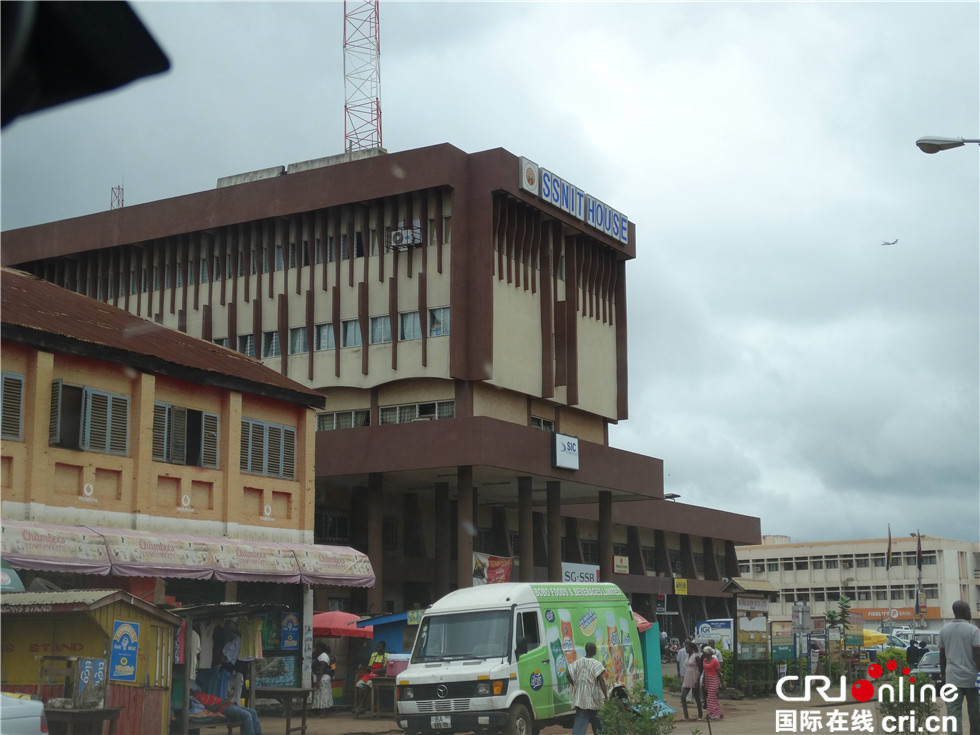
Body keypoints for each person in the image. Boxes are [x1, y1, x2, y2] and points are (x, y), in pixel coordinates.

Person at [939, 601, 980, 735]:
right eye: (968, 609)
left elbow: (942, 655)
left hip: (952, 678)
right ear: (962, 611)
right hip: (972, 679)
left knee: (953, 715)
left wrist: (943, 675)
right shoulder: (973, 630)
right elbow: (977, 654)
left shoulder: (944, 630)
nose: (970, 612)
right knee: (976, 715)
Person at [566, 641, 608, 735]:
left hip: (580, 699)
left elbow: (568, 674)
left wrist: (575, 684)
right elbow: (601, 681)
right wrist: (605, 696)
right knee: (598, 724)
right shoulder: (596, 664)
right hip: (594, 699)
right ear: (594, 651)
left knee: (579, 725)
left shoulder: (578, 662)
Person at [191, 682, 264, 735]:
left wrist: (227, 700)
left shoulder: (202, 694)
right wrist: (224, 701)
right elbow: (212, 709)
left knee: (253, 712)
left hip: (229, 705)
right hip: (224, 708)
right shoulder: (198, 698)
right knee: (247, 715)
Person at [355, 641, 389, 714]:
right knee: (359, 685)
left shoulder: (387, 656)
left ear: (383, 648)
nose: (377, 648)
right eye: (377, 646)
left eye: (379, 647)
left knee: (368, 684)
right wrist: (363, 667)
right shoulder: (373, 655)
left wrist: (378, 670)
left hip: (379, 676)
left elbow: (386, 669)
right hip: (371, 674)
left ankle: (361, 705)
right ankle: (362, 705)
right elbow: (370, 667)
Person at [680, 641, 703, 722]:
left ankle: (700, 715)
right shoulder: (687, 656)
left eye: (687, 648)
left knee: (696, 697)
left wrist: (697, 679)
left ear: (692, 648)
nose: (686, 649)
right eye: (686, 648)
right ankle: (686, 716)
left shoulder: (696, 656)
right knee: (683, 696)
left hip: (694, 677)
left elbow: (700, 669)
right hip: (687, 677)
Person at [701, 646, 724, 722]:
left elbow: (719, 673)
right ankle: (720, 713)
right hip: (707, 680)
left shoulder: (715, 661)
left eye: (704, 653)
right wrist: (703, 681)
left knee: (710, 698)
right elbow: (705, 671)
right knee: (713, 698)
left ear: (708, 653)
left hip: (714, 679)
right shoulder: (704, 660)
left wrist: (722, 682)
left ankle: (711, 715)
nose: (703, 654)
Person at [311, 643, 334, 715]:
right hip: (323, 677)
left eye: (317, 648)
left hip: (323, 678)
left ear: (320, 648)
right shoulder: (321, 655)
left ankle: (323, 712)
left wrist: (318, 680)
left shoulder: (323, 656)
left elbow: (322, 669)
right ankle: (321, 711)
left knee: (323, 694)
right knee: (322, 694)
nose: (315, 649)